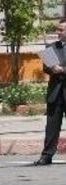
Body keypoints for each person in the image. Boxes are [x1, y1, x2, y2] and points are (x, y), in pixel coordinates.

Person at [34, 18, 66, 166]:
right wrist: (51, 68)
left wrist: (63, 70)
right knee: (52, 126)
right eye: (58, 29)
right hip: (55, 92)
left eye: (61, 30)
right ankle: (47, 155)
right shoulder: (50, 47)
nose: (58, 32)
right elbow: (45, 67)